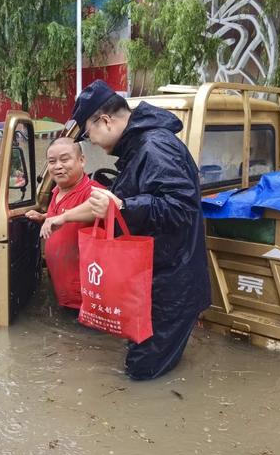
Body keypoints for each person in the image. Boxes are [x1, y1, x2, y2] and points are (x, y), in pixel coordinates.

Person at [69, 79, 211, 381]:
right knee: (147, 365)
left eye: (88, 134)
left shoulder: (154, 146)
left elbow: (180, 208)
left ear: (105, 120)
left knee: (141, 372)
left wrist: (122, 206)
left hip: (171, 285)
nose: (90, 142)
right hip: (157, 279)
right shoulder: (140, 148)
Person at [26, 137, 102, 310]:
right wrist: (43, 217)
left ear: (81, 160)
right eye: (52, 162)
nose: (58, 166)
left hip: (83, 293)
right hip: (61, 285)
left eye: (65, 159)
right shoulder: (57, 190)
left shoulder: (93, 190)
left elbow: (102, 205)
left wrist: (63, 218)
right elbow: (58, 215)